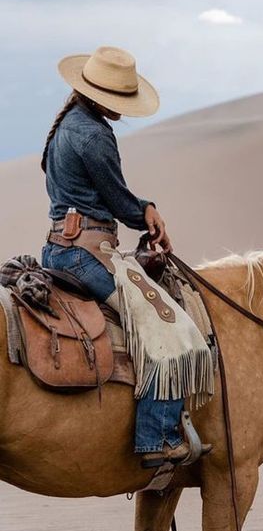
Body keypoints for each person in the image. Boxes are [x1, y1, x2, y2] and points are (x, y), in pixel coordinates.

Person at [41, 46, 210, 467]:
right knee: (167, 329)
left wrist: (141, 211)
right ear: (100, 97)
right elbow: (117, 199)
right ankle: (157, 438)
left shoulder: (68, 124)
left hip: (59, 247)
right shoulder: (93, 134)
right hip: (86, 255)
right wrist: (146, 212)